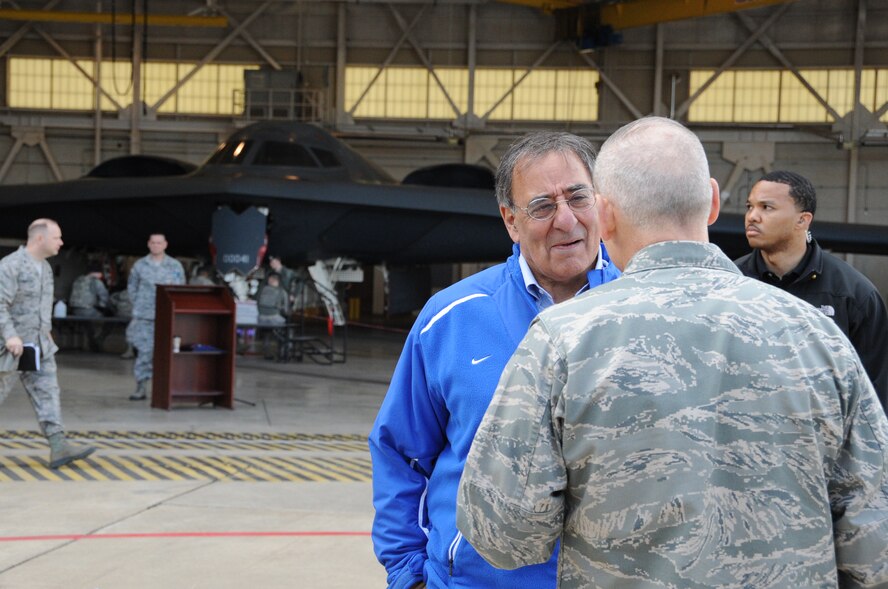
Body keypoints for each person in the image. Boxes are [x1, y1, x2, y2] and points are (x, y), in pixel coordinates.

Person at [457, 117, 888, 588]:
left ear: (605, 214)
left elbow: (503, 535)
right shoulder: (818, 339)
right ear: (713, 201)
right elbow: (875, 551)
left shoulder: (562, 342)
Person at [369, 131, 621, 589]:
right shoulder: (450, 318)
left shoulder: (640, 311)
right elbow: (399, 452)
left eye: (578, 197)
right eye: (542, 206)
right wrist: (407, 573)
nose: (566, 220)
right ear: (510, 221)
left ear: (601, 203)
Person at [735, 170, 888, 412]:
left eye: (767, 207)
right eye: (749, 206)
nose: (752, 216)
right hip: (744, 437)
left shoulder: (853, 295)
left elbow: (875, 392)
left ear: (802, 220)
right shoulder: (730, 284)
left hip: (821, 443)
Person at [0, 219, 97, 468]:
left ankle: (58, 446)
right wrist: (10, 335)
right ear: (40, 238)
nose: (61, 243)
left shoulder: (44, 267)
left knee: (48, 393)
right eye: (57, 237)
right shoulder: (11, 266)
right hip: (10, 345)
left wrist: (47, 332)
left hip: (39, 345)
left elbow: (42, 306)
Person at [125, 233, 185, 401]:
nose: (156, 245)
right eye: (153, 242)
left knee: (169, 353)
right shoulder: (140, 265)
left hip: (167, 316)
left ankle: (169, 388)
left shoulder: (175, 266)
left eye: (159, 243)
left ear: (165, 244)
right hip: (145, 316)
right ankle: (141, 387)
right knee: (144, 352)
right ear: (148, 244)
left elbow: (180, 289)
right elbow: (132, 287)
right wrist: (138, 305)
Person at [69, 261, 112, 351]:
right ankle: (98, 340)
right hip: (88, 311)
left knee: (88, 324)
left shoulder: (78, 279)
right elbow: (105, 298)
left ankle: (92, 342)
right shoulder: (96, 282)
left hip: (75, 311)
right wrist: (103, 307)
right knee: (110, 321)